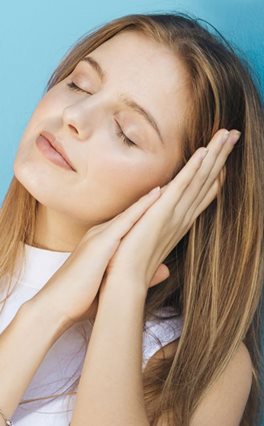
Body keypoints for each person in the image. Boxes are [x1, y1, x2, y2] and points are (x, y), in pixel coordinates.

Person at [0, 11, 263, 426]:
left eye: (126, 132)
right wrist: (46, 311)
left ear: (186, 189)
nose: (75, 115)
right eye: (78, 84)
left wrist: (125, 285)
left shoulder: (200, 367)